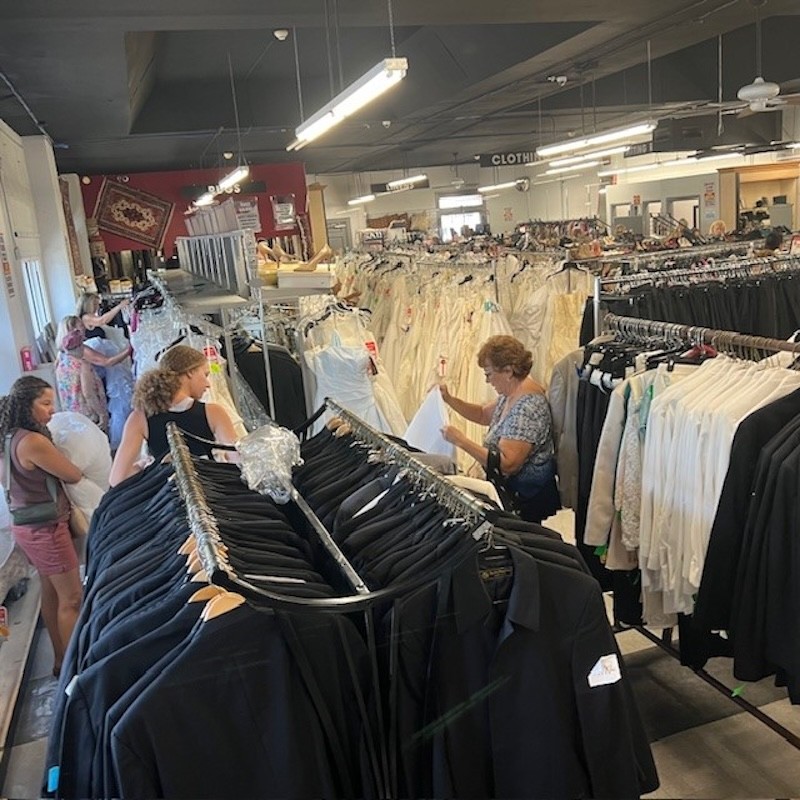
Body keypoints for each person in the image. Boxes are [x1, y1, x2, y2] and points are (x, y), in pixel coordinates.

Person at [0, 376, 83, 676]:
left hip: (26, 526)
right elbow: (72, 474)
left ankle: (61, 661)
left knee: (50, 590)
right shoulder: (32, 442)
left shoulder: (8, 438)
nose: (52, 410)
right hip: (46, 529)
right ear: (26, 405)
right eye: (45, 403)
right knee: (72, 598)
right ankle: (76, 668)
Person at [439, 334, 559, 522]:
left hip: (523, 500)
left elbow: (507, 464)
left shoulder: (527, 408)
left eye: (489, 374)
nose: (487, 381)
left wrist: (461, 441)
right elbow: (482, 414)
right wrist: (449, 400)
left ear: (508, 371)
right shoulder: (513, 393)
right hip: (516, 494)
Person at [109, 345, 239, 486]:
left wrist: (145, 466)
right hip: (210, 490)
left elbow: (117, 478)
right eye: (205, 375)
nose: (208, 384)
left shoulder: (140, 418)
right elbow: (237, 460)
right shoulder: (213, 412)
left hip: (165, 492)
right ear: (190, 372)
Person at [55, 316, 132, 433]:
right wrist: (102, 415)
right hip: (90, 413)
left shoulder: (60, 361)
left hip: (73, 413)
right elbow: (88, 394)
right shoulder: (82, 365)